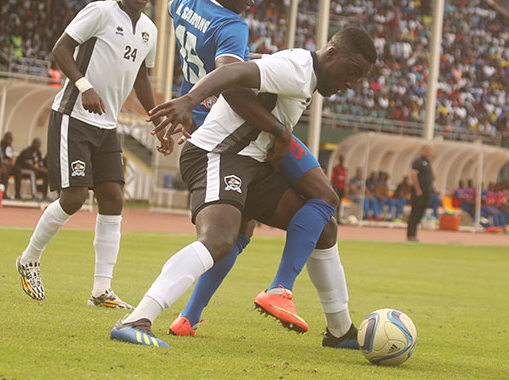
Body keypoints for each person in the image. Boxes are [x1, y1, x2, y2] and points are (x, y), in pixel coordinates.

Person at [111, 26, 377, 347]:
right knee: (219, 239)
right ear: (332, 55)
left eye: (358, 79)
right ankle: (136, 319)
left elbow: (244, 68)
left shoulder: (301, 72)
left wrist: (278, 132)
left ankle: (339, 330)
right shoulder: (297, 68)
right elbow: (232, 71)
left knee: (323, 227)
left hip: (252, 164)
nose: (350, 84)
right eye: (351, 73)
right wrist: (189, 101)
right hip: (218, 154)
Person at [163, 0, 349, 339]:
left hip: (206, 121)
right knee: (324, 197)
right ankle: (282, 289)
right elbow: (231, 83)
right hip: (236, 123)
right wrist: (280, 130)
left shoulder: (180, 3)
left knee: (242, 232)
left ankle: (189, 317)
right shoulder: (231, 25)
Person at [15, 0, 169, 309]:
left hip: (107, 126)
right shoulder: (100, 12)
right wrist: (84, 86)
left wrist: (157, 120)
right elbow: (60, 49)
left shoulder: (149, 30)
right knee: (73, 197)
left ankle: (101, 290)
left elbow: (142, 78)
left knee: (113, 198)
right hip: (73, 115)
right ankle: (29, 259)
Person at [406, 146, 434, 241]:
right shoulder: (418, 161)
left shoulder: (428, 162)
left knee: (420, 213)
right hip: (419, 193)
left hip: (426, 192)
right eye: (426, 150)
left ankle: (414, 235)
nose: (428, 152)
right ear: (422, 151)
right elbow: (414, 176)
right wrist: (418, 189)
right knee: (415, 213)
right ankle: (410, 235)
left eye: (429, 150)